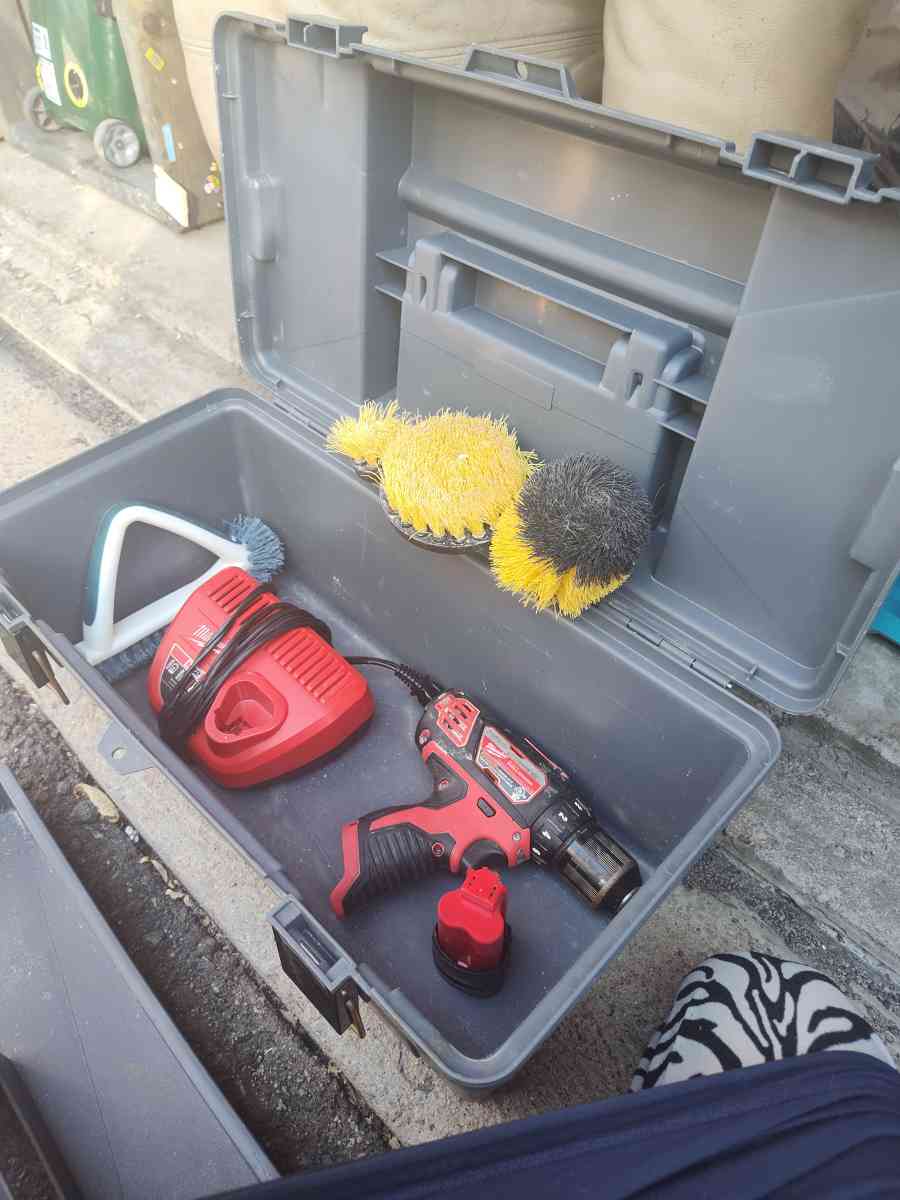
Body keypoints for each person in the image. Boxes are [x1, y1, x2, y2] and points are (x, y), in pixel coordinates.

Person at [218, 953, 900, 1199]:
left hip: (851, 1126)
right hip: (853, 1124)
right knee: (765, 993)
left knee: (751, 987)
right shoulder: (861, 1122)